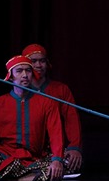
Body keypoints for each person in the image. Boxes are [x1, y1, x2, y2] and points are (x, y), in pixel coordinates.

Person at [0, 56, 67, 181]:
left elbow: (56, 134)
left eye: (28, 70)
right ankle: (24, 178)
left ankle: (10, 178)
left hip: (34, 159)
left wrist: (57, 160)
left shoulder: (47, 103)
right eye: (19, 71)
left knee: (62, 165)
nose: (25, 75)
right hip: (3, 157)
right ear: (11, 76)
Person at [23, 43, 83, 173]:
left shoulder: (61, 89)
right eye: (34, 61)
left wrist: (74, 147)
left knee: (69, 162)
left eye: (42, 61)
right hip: (25, 150)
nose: (38, 65)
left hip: (54, 149)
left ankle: (37, 173)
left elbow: (71, 120)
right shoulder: (20, 91)